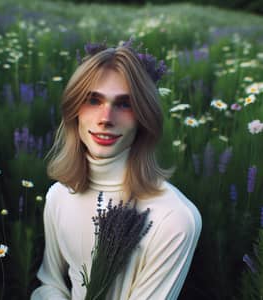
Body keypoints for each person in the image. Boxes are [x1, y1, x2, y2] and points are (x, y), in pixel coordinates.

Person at [31, 42, 202, 300]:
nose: (106, 118)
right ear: (73, 110)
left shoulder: (174, 219)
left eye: (125, 104)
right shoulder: (59, 195)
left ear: (145, 117)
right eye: (92, 100)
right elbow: (50, 284)